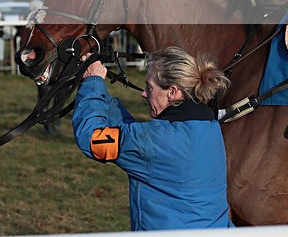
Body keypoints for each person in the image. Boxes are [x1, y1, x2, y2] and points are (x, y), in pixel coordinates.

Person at [73, 46, 233, 231]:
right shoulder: (210, 128)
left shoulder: (154, 140)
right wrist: (102, 96)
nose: (143, 93)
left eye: (149, 87)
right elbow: (132, 135)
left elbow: (91, 138)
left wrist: (93, 81)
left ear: (172, 92)